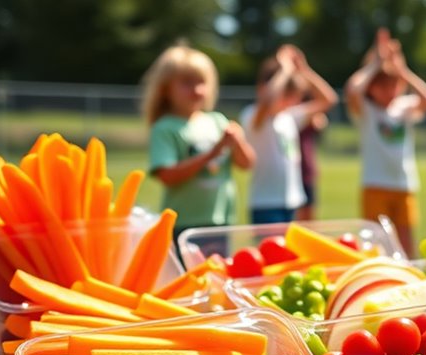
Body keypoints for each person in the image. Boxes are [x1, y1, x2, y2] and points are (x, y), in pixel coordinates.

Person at [142, 43, 255, 245]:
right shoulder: (165, 128)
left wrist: (238, 141)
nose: (197, 90)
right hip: (184, 223)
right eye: (187, 83)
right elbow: (167, 176)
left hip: (220, 220)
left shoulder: (217, 121)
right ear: (166, 89)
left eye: (202, 82)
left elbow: (247, 164)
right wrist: (213, 153)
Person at [345, 28, 426, 257]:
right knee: (376, 245)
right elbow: (352, 90)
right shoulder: (367, 111)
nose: (390, 91)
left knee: (406, 244)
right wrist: (376, 63)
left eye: (393, 85)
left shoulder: (403, 107)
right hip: (375, 184)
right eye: (383, 86)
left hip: (404, 185)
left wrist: (401, 70)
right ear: (372, 88)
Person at [241, 45, 337, 224]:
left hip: (292, 201)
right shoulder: (252, 115)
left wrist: (304, 70)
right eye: (286, 94)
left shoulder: (289, 117)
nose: (291, 101)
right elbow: (267, 101)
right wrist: (284, 70)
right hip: (266, 203)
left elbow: (329, 99)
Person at [295, 112, 328, 221]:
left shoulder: (306, 114)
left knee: (309, 215)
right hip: (295, 172)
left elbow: (320, 122)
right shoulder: (291, 116)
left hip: (307, 170)